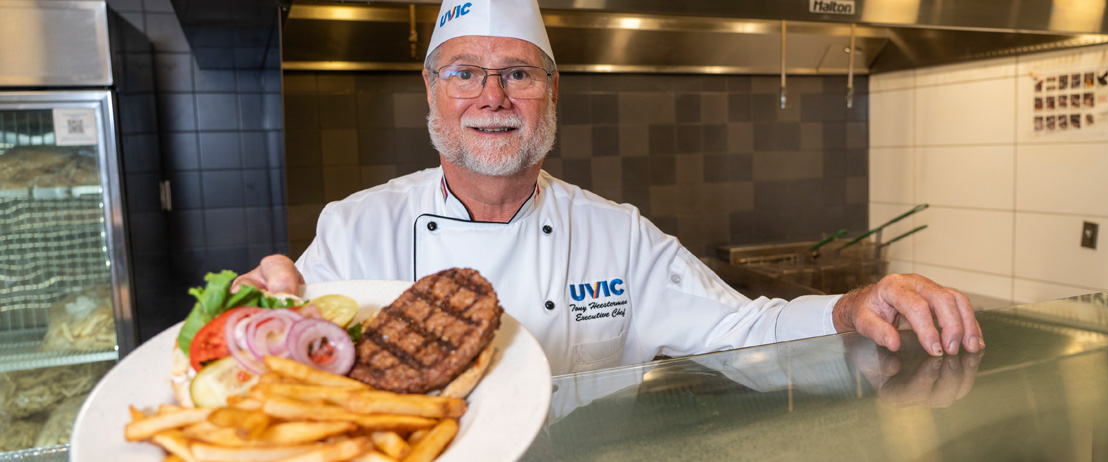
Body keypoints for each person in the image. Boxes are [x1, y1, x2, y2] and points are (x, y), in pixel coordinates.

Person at [236, 0, 984, 376]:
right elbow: (287, 355)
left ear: (551, 93)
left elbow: (742, 331)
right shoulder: (352, 229)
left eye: (519, 74)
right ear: (431, 91)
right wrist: (249, 321)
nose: (492, 96)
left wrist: (854, 307)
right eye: (465, 73)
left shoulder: (617, 233)